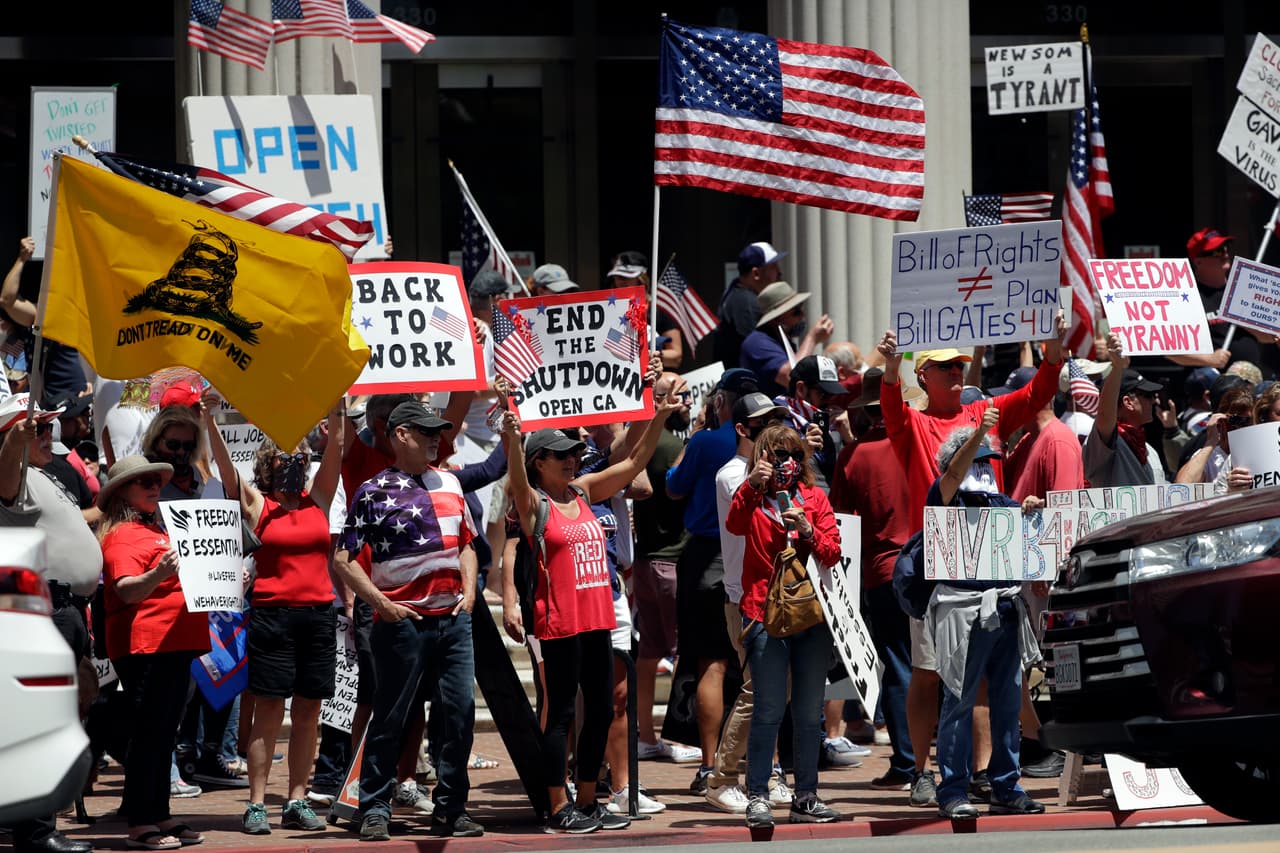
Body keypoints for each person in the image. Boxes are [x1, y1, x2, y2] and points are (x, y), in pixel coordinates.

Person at [501, 359, 678, 834]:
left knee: (600, 709)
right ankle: (556, 805)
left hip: (598, 617)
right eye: (561, 455)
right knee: (561, 712)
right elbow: (516, 480)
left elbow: (634, 464)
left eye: (574, 453)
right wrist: (512, 439)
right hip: (560, 621)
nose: (572, 459)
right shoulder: (534, 503)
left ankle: (586, 799)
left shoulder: (582, 491)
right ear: (540, 462)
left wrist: (659, 413)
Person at [332, 401, 483, 841]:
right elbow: (343, 560)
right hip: (402, 624)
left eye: (438, 431)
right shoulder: (372, 490)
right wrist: (382, 603)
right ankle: (374, 807)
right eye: (426, 431)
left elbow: (468, 544)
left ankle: (451, 809)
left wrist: (471, 593)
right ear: (400, 435)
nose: (436, 438)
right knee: (390, 717)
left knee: (459, 715)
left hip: (452, 621)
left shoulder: (451, 484)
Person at [205, 403, 344, 834]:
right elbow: (226, 471)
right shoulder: (258, 504)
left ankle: (297, 799)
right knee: (267, 709)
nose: (295, 465)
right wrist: (209, 418)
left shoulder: (317, 499)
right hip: (272, 615)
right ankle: (257, 803)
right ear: (268, 466)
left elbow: (337, 446)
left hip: (318, 615)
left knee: (308, 712)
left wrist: (337, 409)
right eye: (286, 458)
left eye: (301, 459)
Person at [926, 414, 1044, 820]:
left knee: (1008, 703)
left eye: (986, 461)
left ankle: (1006, 785)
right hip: (962, 613)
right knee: (958, 703)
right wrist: (976, 434)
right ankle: (953, 790)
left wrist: (1029, 511)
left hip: (1006, 611)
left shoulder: (1000, 504)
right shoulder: (945, 498)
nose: (982, 469)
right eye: (975, 461)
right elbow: (952, 476)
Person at [727, 424, 842, 828]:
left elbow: (833, 551)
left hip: (809, 615)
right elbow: (734, 525)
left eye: (791, 453)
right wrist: (751, 487)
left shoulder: (814, 497)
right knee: (768, 709)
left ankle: (806, 795)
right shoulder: (754, 498)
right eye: (775, 455)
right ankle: (757, 795)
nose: (784, 462)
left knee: (809, 713)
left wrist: (809, 530)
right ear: (761, 458)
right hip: (763, 613)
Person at [0, 397, 99, 853]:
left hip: (65, 610)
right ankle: (36, 834)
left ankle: (33, 826)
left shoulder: (41, 474)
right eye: (38, 430)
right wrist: (14, 442)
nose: (48, 437)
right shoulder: (11, 473)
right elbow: (5, 476)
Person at [99, 455, 211, 850]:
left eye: (155, 480)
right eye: (142, 481)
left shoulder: (156, 529)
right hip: (147, 645)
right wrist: (159, 573)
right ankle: (142, 822)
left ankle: (158, 814)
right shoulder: (122, 534)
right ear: (121, 492)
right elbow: (127, 589)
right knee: (150, 734)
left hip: (175, 643)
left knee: (164, 733)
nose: (153, 486)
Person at [829, 369, 923, 796]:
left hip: (883, 572)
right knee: (934, 665)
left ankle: (909, 762)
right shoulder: (920, 444)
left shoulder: (853, 456)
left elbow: (839, 523)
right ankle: (931, 761)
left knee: (899, 664)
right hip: (930, 564)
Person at [665, 368, 758, 793]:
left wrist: (698, 435)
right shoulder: (769, 445)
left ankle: (709, 764)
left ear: (722, 402)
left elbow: (673, 487)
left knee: (711, 663)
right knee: (759, 666)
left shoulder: (704, 441)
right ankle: (763, 764)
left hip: (708, 554)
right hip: (753, 553)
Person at [705, 391, 791, 814]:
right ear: (742, 429)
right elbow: (745, 517)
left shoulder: (781, 470)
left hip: (784, 595)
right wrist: (763, 477)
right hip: (747, 598)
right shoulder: (731, 474)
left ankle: (770, 772)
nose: (772, 430)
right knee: (758, 690)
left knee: (778, 689)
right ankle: (721, 778)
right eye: (763, 423)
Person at [628, 372, 696, 769]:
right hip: (672, 563)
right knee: (683, 653)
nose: (687, 402)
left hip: (645, 563)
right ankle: (674, 735)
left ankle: (647, 736)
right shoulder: (672, 446)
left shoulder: (643, 445)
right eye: (681, 396)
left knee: (650, 652)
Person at [1084, 333, 1168, 487]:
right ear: (1128, 402)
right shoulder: (1108, 441)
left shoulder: (1150, 451)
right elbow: (1104, 415)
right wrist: (1117, 367)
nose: (1155, 401)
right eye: (1148, 395)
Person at [740, 281, 834, 398]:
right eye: (796, 312)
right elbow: (790, 376)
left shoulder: (781, 342)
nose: (802, 316)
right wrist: (812, 338)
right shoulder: (757, 343)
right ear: (776, 319)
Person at [607, 251, 684, 369]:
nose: (621, 281)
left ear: (641, 277)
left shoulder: (659, 308)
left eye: (627, 276)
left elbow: (676, 356)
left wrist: (645, 354)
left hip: (653, 378)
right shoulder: (607, 309)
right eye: (618, 276)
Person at [715, 242, 786, 367]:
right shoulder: (746, 303)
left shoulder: (739, 295)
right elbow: (761, 348)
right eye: (773, 266)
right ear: (756, 274)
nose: (779, 272)